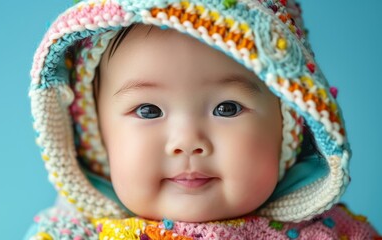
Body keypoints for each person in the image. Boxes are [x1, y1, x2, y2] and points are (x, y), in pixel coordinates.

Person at [26, 0, 380, 239]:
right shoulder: (67, 233)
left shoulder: (336, 234)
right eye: (148, 110)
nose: (187, 141)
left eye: (226, 108)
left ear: (290, 122)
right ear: (98, 134)